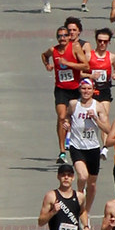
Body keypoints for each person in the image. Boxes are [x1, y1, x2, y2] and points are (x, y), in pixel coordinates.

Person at [65, 78, 110, 228]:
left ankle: (86, 212)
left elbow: (108, 129)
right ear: (79, 89)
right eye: (83, 88)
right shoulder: (74, 104)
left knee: (92, 184)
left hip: (92, 148)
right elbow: (67, 116)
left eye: (89, 89)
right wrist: (66, 123)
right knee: (82, 176)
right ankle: (79, 194)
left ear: (93, 90)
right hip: (76, 146)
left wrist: (95, 118)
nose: (86, 91)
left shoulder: (98, 106)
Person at [42, 26, 85, 164]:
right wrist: (47, 65)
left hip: (75, 89)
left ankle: (77, 145)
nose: (63, 38)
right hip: (61, 89)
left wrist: (68, 63)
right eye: (60, 36)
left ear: (69, 37)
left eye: (65, 35)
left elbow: (86, 66)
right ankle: (62, 152)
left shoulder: (75, 48)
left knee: (74, 118)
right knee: (61, 117)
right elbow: (44, 55)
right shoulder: (53, 50)